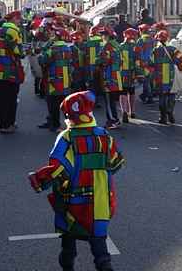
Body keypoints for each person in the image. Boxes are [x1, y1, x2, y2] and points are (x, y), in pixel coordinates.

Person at [28, 91, 125, 271]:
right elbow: (116, 163)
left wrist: (39, 179)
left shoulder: (66, 137)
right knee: (99, 244)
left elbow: (59, 168)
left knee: (68, 242)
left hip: (72, 200)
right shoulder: (104, 135)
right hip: (100, 199)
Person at [0, 11, 25, 134]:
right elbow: (19, 52)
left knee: (2, 99)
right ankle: (9, 124)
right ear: (13, 19)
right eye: (18, 19)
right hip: (10, 71)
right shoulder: (14, 32)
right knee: (11, 98)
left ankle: (2, 124)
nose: (20, 21)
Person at [39, 27, 76, 132]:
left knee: (53, 104)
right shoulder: (68, 49)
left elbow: (42, 61)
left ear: (56, 37)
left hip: (54, 80)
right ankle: (71, 124)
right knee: (66, 104)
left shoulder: (52, 50)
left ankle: (56, 125)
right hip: (66, 80)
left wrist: (40, 55)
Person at [150, 29, 182, 125]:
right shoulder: (173, 49)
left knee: (162, 96)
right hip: (171, 75)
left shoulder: (155, 50)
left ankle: (162, 117)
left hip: (159, 75)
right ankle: (170, 111)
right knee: (171, 94)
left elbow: (150, 63)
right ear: (167, 39)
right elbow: (181, 59)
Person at [98, 27, 124, 129]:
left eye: (103, 34)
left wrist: (98, 60)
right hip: (116, 75)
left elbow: (104, 61)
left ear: (108, 35)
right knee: (113, 99)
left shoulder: (107, 46)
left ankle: (113, 120)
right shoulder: (117, 45)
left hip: (108, 76)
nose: (102, 36)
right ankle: (115, 119)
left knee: (109, 100)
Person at [119, 28, 139, 122]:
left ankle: (124, 112)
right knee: (132, 92)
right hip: (132, 73)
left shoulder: (120, 47)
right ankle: (132, 112)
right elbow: (138, 61)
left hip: (122, 74)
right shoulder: (135, 47)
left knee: (123, 92)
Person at [135, 24, 155, 104]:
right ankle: (146, 95)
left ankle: (149, 97)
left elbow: (137, 52)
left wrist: (137, 63)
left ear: (142, 31)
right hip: (152, 62)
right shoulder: (152, 39)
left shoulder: (141, 40)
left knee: (146, 80)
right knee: (150, 80)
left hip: (144, 62)